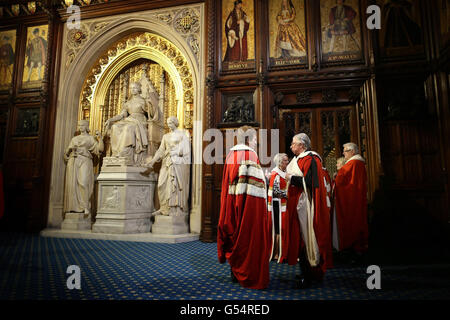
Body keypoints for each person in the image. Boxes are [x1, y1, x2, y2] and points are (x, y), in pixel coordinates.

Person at [217, 126, 271, 289]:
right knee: (248, 237)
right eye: (255, 139)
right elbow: (253, 190)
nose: (256, 143)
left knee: (234, 233)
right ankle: (247, 274)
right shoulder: (249, 154)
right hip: (247, 207)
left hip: (231, 203)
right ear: (248, 139)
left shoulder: (231, 154)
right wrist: (265, 180)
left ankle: (234, 271)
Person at [285, 133, 332, 288]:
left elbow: (310, 182)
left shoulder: (311, 158)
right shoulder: (299, 159)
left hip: (307, 204)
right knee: (300, 238)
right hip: (298, 203)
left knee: (308, 237)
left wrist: (291, 178)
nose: (291, 146)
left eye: (294, 143)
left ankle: (311, 272)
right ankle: (305, 270)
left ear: (302, 146)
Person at [142, 116, 190, 216]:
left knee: (173, 185)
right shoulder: (166, 136)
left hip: (176, 162)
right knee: (161, 184)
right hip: (166, 161)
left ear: (175, 123)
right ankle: (163, 207)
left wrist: (175, 152)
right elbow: (160, 150)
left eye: (171, 123)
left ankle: (174, 208)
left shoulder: (182, 134)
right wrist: (152, 161)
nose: (169, 125)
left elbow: (185, 149)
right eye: (168, 123)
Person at [104, 82, 156, 166]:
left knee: (128, 128)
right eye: (131, 88)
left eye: (135, 88)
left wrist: (150, 105)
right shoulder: (128, 103)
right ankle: (116, 152)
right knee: (115, 127)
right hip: (129, 119)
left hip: (139, 121)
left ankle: (126, 153)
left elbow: (152, 114)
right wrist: (110, 119)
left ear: (139, 89)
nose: (133, 90)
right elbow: (122, 115)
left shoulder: (143, 101)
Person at [332, 143, 368, 258]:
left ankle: (352, 251)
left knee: (351, 223)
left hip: (351, 199)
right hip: (357, 198)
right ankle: (358, 250)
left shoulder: (353, 163)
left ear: (352, 152)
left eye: (345, 151)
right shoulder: (359, 163)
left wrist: (335, 177)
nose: (343, 153)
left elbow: (341, 179)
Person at [63, 120, 104, 218]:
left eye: (82, 125)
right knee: (73, 184)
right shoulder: (74, 139)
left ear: (87, 127)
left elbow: (99, 150)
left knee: (83, 182)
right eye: (79, 125)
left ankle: (85, 206)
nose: (80, 127)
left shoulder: (90, 138)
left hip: (85, 160)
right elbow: (66, 154)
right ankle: (74, 207)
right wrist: (69, 151)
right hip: (73, 161)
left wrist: (100, 138)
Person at [268, 153, 289, 263]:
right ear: (280, 163)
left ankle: (282, 251)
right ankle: (276, 252)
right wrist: (288, 194)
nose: (287, 162)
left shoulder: (284, 173)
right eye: (285, 160)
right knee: (278, 229)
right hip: (277, 206)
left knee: (283, 228)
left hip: (283, 205)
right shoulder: (275, 173)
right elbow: (275, 192)